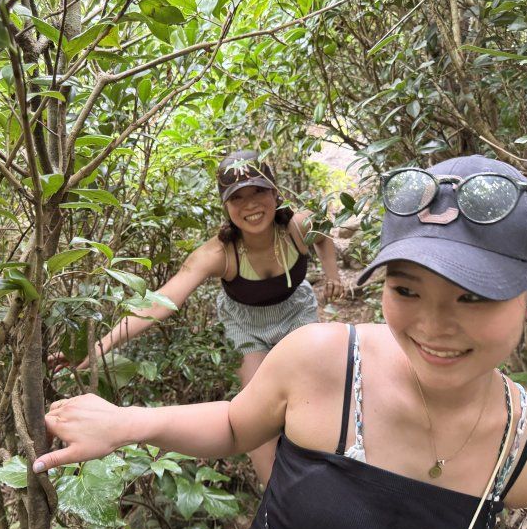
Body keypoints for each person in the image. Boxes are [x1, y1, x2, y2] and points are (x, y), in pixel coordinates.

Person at [36, 155, 527, 529]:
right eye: (406, 290)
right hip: (254, 329)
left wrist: (330, 273)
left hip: (292, 313)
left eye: (474, 296)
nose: (434, 327)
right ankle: (280, 496)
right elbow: (177, 315)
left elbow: (323, 246)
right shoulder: (300, 337)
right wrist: (109, 373)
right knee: (260, 400)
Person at [49, 149, 343, 484]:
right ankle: (273, 499)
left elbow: (324, 235)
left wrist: (333, 276)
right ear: (225, 206)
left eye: (259, 191)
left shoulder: (297, 226)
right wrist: (97, 349)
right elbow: (159, 304)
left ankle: (326, 469)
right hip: (246, 326)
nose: (250, 205)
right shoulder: (217, 254)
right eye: (238, 197)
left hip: (295, 311)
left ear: (275, 192)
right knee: (255, 413)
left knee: (317, 388)